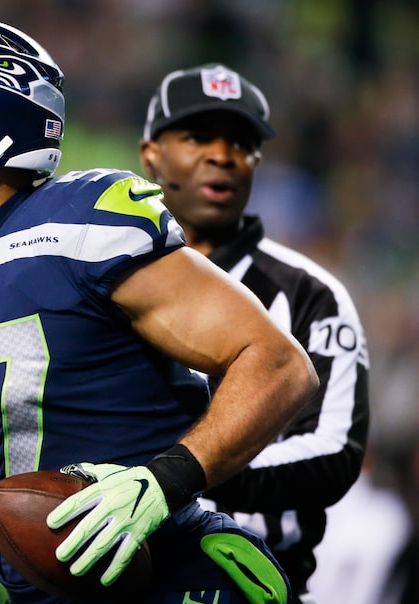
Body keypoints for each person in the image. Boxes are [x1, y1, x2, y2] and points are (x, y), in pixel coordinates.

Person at [0, 17, 318, 604]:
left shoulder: (80, 224)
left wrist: (162, 483)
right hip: (28, 590)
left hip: (165, 576)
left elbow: (278, 364)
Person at [138, 63, 370, 603]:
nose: (223, 155)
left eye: (241, 142)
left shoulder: (312, 294)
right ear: (151, 154)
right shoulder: (98, 275)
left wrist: (171, 475)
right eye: (198, 136)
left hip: (256, 580)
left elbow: (335, 451)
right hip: (111, 576)